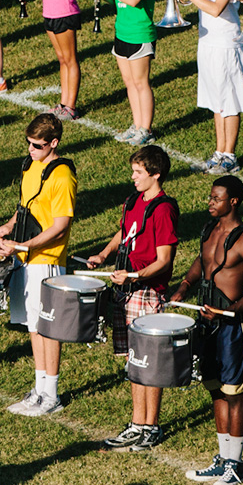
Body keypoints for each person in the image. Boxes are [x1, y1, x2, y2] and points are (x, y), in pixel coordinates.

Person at [172, 175, 243, 485]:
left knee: (234, 393)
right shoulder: (209, 229)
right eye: (210, 197)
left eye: (217, 198)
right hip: (207, 321)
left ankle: (235, 464)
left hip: (231, 325)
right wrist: (184, 287)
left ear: (233, 201)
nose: (210, 202)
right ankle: (223, 459)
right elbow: (203, 261)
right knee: (214, 389)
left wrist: (229, 310)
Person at [0, 113, 77, 418]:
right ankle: (39, 387)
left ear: (53, 143)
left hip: (47, 261)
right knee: (33, 325)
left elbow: (60, 225)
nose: (31, 149)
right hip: (25, 258)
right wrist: (9, 227)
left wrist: (25, 245)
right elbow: (26, 208)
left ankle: (51, 394)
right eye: (28, 143)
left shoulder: (62, 176)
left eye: (37, 145)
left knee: (47, 327)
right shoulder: (31, 166)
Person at [92, 144, 180, 407]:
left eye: (138, 172)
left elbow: (164, 261)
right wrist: (104, 254)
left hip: (147, 291)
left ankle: (149, 425)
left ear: (156, 174)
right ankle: (137, 421)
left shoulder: (163, 209)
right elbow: (125, 232)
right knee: (133, 359)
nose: (133, 177)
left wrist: (134, 276)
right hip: (127, 290)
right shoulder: (133, 201)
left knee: (147, 361)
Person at [181, 0, 243, 175]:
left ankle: (230, 155)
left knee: (229, 100)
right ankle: (219, 152)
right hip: (207, 41)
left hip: (225, 42)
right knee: (216, 100)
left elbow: (216, 8)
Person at [94, 0, 156, 145]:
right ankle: (137, 124)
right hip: (122, 31)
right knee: (129, 83)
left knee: (141, 83)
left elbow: (133, 0)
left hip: (139, 33)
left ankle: (146, 128)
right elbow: (118, 0)